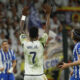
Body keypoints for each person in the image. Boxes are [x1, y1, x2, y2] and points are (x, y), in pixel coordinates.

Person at [19, 4, 51, 80]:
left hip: (27, 76)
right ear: (37, 36)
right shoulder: (41, 43)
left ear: (29, 35)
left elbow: (21, 29)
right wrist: (48, 15)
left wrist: (23, 15)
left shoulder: (25, 43)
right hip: (39, 75)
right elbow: (47, 28)